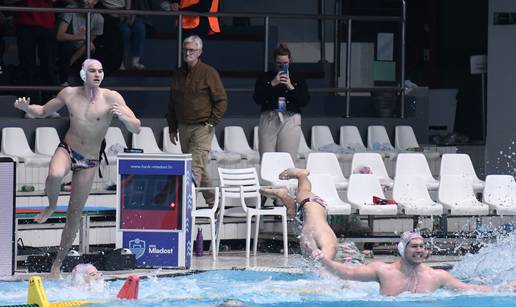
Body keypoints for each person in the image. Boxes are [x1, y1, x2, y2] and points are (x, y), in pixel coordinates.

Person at [14, 58, 141, 278]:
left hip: (89, 161)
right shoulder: (69, 93)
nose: (97, 74)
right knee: (54, 174)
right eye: (92, 71)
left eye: (100, 71)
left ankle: (57, 265)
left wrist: (126, 120)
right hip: (68, 149)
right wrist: (27, 107)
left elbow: (137, 127)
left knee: (74, 214)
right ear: (83, 74)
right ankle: (52, 205)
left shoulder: (112, 98)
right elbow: (43, 111)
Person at [313, 230, 513, 296]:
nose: (419, 250)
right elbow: (348, 272)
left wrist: (502, 288)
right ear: (402, 249)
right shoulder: (383, 271)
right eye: (414, 246)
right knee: (346, 283)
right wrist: (325, 262)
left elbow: (468, 289)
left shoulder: (437, 276)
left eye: (422, 247)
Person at [167, 35, 227, 206]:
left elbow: (221, 100)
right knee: (197, 166)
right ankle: (214, 202)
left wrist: (211, 122)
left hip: (202, 127)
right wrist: (172, 127)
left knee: (193, 168)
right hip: (183, 126)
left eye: (191, 50)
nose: (188, 53)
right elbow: (172, 102)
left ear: (199, 52)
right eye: (185, 49)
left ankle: (185, 207)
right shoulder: (178, 73)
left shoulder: (209, 72)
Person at [259, 168, 337, 259]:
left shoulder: (313, 236)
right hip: (312, 203)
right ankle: (302, 175)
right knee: (304, 190)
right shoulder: (323, 237)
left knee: (293, 213)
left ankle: (281, 193)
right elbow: (330, 251)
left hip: (310, 213)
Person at [253, 43, 310, 161]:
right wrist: (272, 83)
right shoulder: (265, 77)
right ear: (274, 62)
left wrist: (290, 86)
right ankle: (268, 179)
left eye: (285, 63)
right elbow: (257, 98)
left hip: (290, 118)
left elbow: (304, 100)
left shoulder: (297, 77)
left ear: (290, 61)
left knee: (287, 158)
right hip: (270, 117)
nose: (282, 66)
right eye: (279, 63)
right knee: (267, 157)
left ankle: (286, 179)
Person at [56, 0, 104, 84]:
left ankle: (88, 88)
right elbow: (59, 36)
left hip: (80, 52)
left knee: (91, 53)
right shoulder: (70, 9)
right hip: (65, 47)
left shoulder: (99, 18)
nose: (85, 1)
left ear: (95, 1)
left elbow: (87, 44)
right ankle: (63, 83)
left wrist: (71, 60)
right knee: (67, 47)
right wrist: (81, 37)